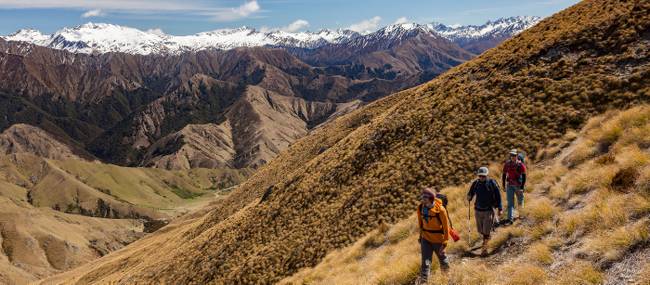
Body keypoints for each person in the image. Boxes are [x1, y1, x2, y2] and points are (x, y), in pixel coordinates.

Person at [467, 167, 502, 256]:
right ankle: (486, 238)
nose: (482, 177)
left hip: (488, 210)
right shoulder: (476, 183)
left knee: (486, 231)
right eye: (480, 176)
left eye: (483, 176)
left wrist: (500, 208)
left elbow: (498, 196)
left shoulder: (492, 183)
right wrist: (469, 197)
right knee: (481, 230)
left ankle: (484, 249)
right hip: (478, 210)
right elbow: (471, 193)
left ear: (487, 175)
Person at [417, 188, 450, 284]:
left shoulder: (440, 210)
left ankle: (446, 279)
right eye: (422, 196)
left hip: (438, 240)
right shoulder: (420, 208)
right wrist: (420, 236)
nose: (423, 199)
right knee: (425, 262)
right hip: (425, 239)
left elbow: (446, 227)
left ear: (431, 198)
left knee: (443, 260)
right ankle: (424, 281)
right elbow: (421, 224)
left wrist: (445, 243)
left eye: (425, 197)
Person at [502, 149, 527, 224]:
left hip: (518, 186)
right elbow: (504, 174)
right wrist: (503, 185)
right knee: (510, 202)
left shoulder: (520, 165)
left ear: (517, 156)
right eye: (511, 155)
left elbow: (524, 176)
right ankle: (510, 219)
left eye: (514, 155)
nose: (513, 157)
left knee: (520, 201)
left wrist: (522, 187)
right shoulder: (507, 164)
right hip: (509, 185)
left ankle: (521, 216)